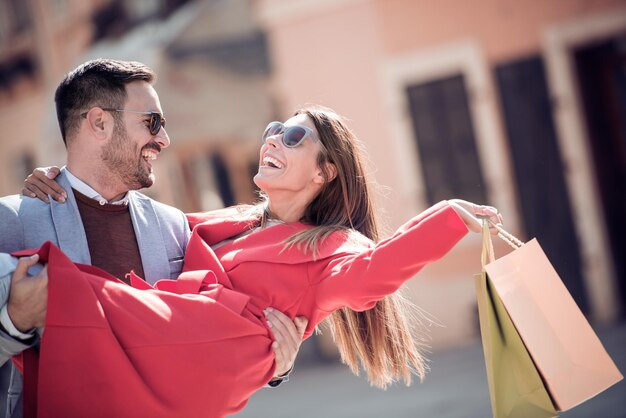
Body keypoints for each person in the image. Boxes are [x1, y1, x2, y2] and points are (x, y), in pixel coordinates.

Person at [18, 105, 501, 417]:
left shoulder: (331, 247)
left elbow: (370, 277)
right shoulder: (239, 219)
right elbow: (135, 222)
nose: (272, 140)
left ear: (325, 172)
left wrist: (448, 217)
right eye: (274, 130)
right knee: (48, 314)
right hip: (162, 346)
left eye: (293, 136)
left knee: (48, 287)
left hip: (189, 359)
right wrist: (67, 185)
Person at [0, 59, 304, 418]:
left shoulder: (173, 226)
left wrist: (274, 363)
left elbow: (206, 339)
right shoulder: (13, 222)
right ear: (99, 122)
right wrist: (13, 323)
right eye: (152, 122)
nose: (163, 139)